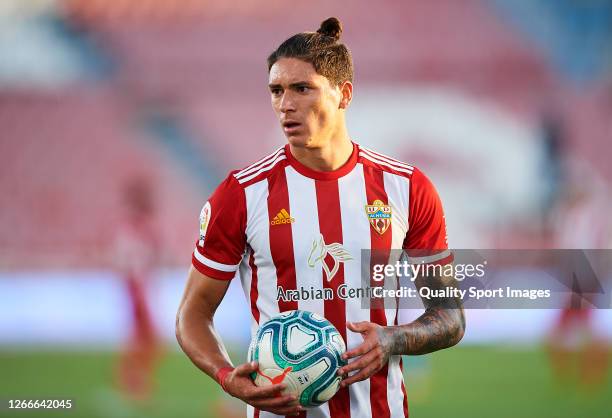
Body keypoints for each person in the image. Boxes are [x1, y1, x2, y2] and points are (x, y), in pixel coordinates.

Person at [176, 17, 465, 417]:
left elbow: (450, 317)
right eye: (276, 91)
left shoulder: (407, 189)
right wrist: (226, 376)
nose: (285, 104)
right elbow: (192, 314)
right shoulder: (241, 194)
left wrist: (392, 340)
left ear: (343, 94)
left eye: (302, 89)